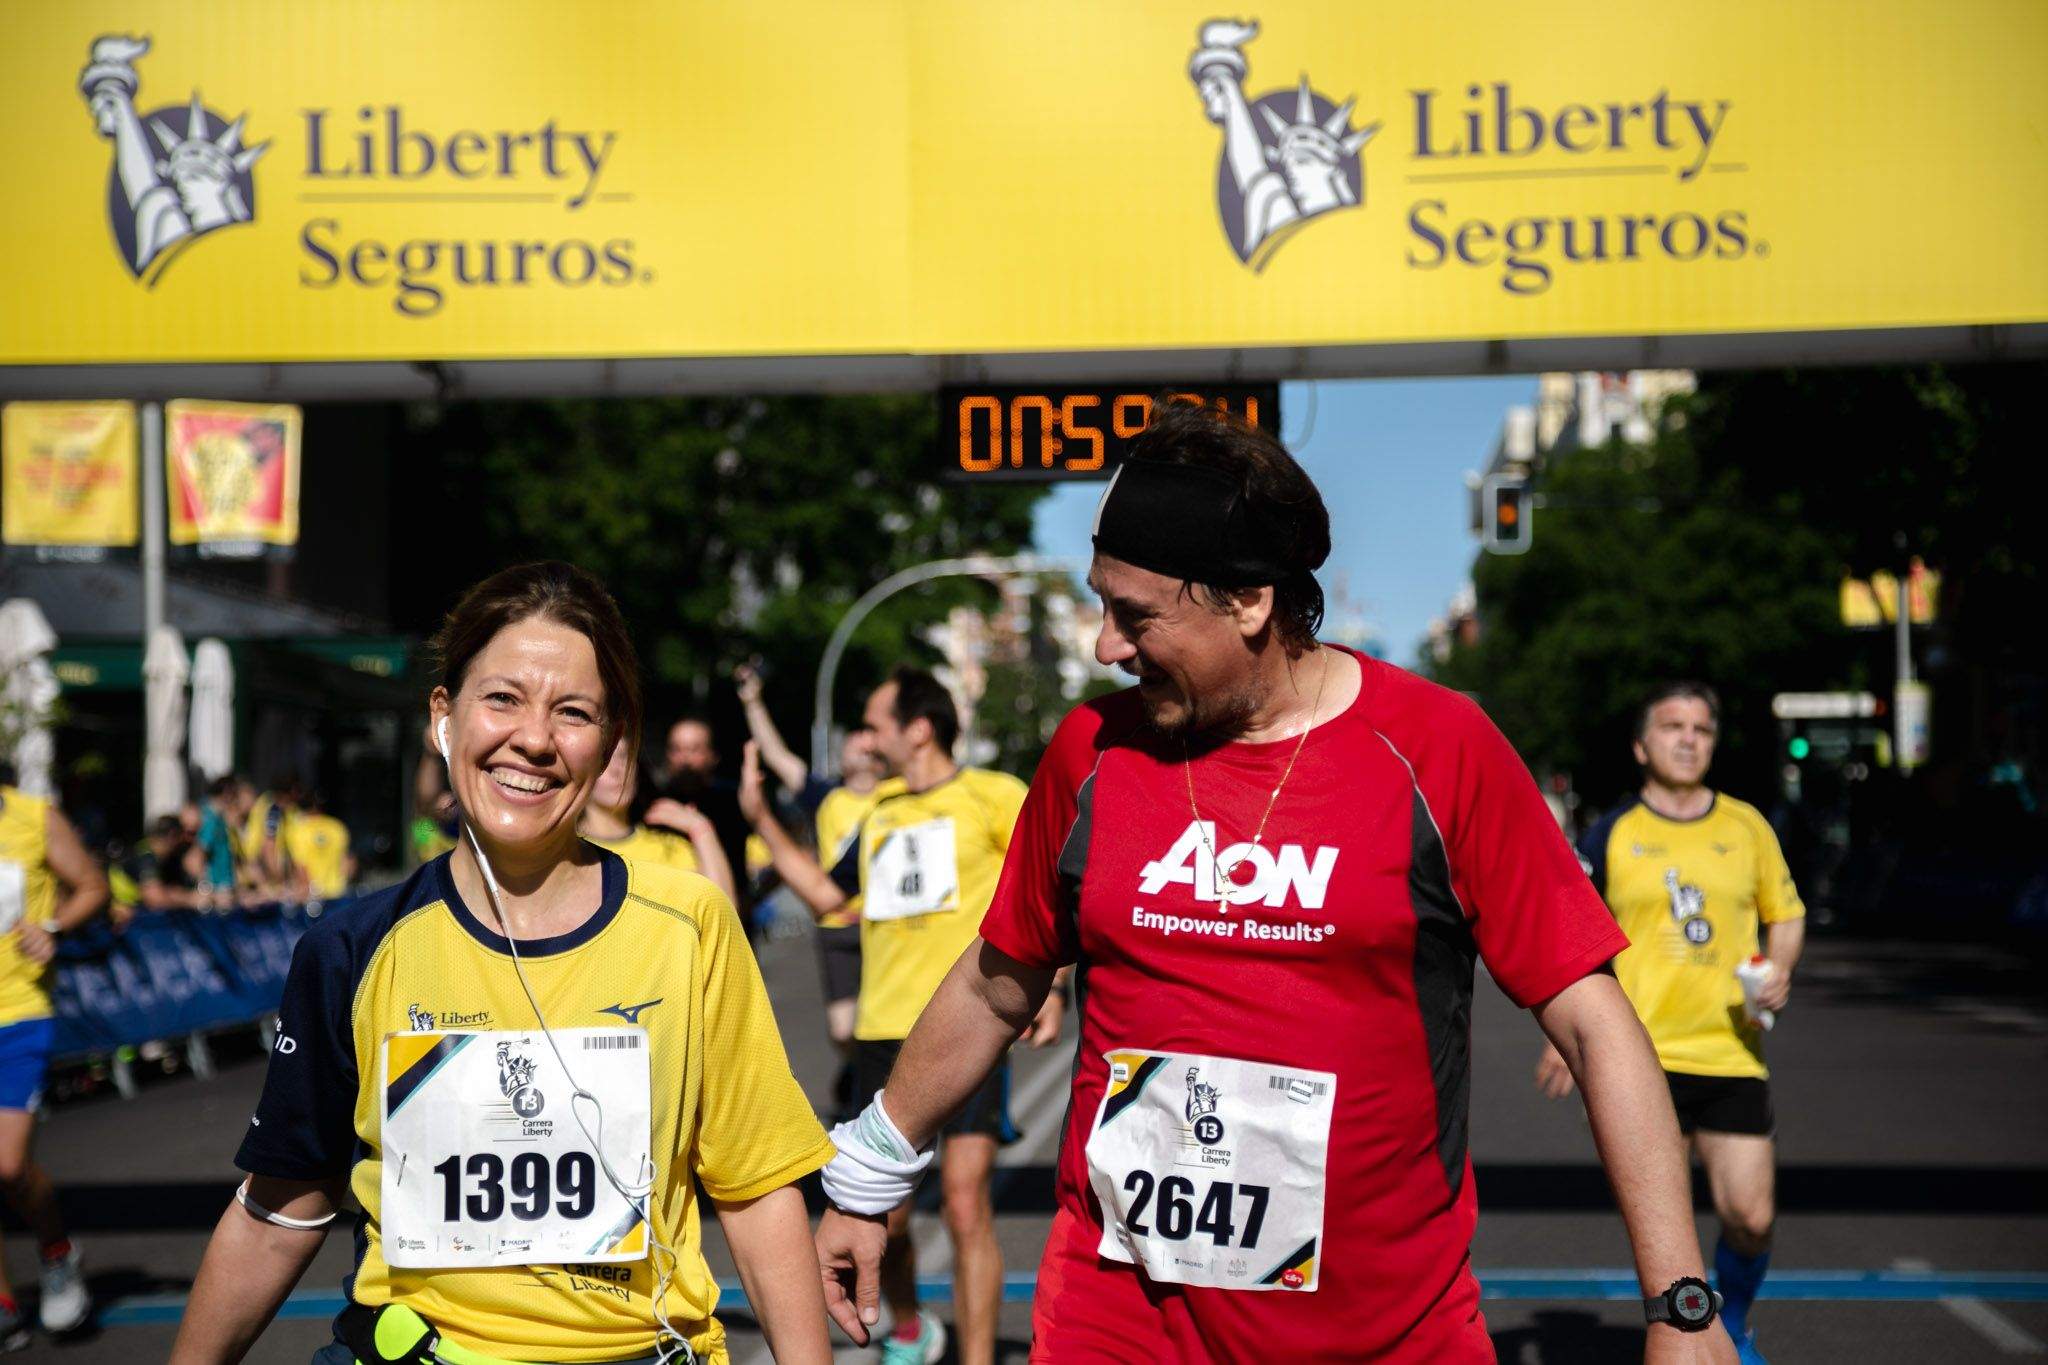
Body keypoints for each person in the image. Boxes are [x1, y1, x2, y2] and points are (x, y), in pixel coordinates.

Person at [812, 402, 1737, 1364]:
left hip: (1383, 1335)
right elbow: (994, 980)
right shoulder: (1093, 751)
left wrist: (1680, 1305)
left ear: (1250, 601)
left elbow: (1594, 1021)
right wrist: (869, 1174)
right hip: (1117, 1326)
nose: (1107, 647)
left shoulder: (1439, 748)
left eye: (1137, 615)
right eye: (1101, 604)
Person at [170, 562, 835, 1365]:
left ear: (611, 739)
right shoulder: (350, 949)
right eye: (503, 698)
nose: (533, 738)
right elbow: (281, 1208)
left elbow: (758, 1188)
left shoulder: (689, 924)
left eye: (573, 712)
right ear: (443, 717)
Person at [743, 667, 1058, 1365]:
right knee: (887, 1213)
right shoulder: (878, 808)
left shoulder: (995, 795)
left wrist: (1055, 986)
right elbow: (830, 898)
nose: (868, 734)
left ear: (919, 727)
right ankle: (912, 1327)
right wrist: (762, 819)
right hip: (884, 1031)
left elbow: (1050, 893)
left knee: (965, 1200)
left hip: (967, 1029)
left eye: (879, 721)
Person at [1540, 682, 1805, 1364]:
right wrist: (1567, 1034)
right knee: (1668, 1231)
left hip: (1732, 1052)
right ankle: (1687, 1335)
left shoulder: (1747, 825)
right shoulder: (1613, 833)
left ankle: (1736, 1324)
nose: (1688, 738)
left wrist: (1779, 968)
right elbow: (1573, 931)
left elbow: (1788, 910)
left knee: (1751, 1216)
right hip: (1641, 1060)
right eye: (1672, 726)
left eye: (1701, 728)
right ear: (1641, 745)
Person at [735, 662, 887, 1078]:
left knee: (887, 1026)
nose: (851, 744)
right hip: (835, 924)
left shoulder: (896, 799)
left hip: (881, 926)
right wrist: (753, 702)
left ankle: (878, 1092)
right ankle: (858, 1078)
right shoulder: (826, 796)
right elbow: (777, 755)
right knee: (842, 1029)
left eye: (860, 739)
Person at [0, 781, 109, 1347]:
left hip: (18, 1012)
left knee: (8, 1165)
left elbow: (93, 884)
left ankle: (57, 1251)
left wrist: (52, 926)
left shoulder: (31, 816)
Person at [580, 738, 738, 905]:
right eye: (604, 760)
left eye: (624, 757)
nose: (617, 770)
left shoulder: (667, 846)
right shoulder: (567, 850)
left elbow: (723, 913)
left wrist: (701, 829)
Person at [657, 715, 758, 935]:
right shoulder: (654, 806)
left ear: (713, 756)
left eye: (694, 750)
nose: (685, 759)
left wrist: (755, 896)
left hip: (732, 923)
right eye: (677, 749)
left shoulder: (734, 801)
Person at [283, 791, 358, 902]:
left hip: (313, 897)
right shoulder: (337, 827)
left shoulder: (298, 830)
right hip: (338, 894)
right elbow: (348, 863)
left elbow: (300, 867)